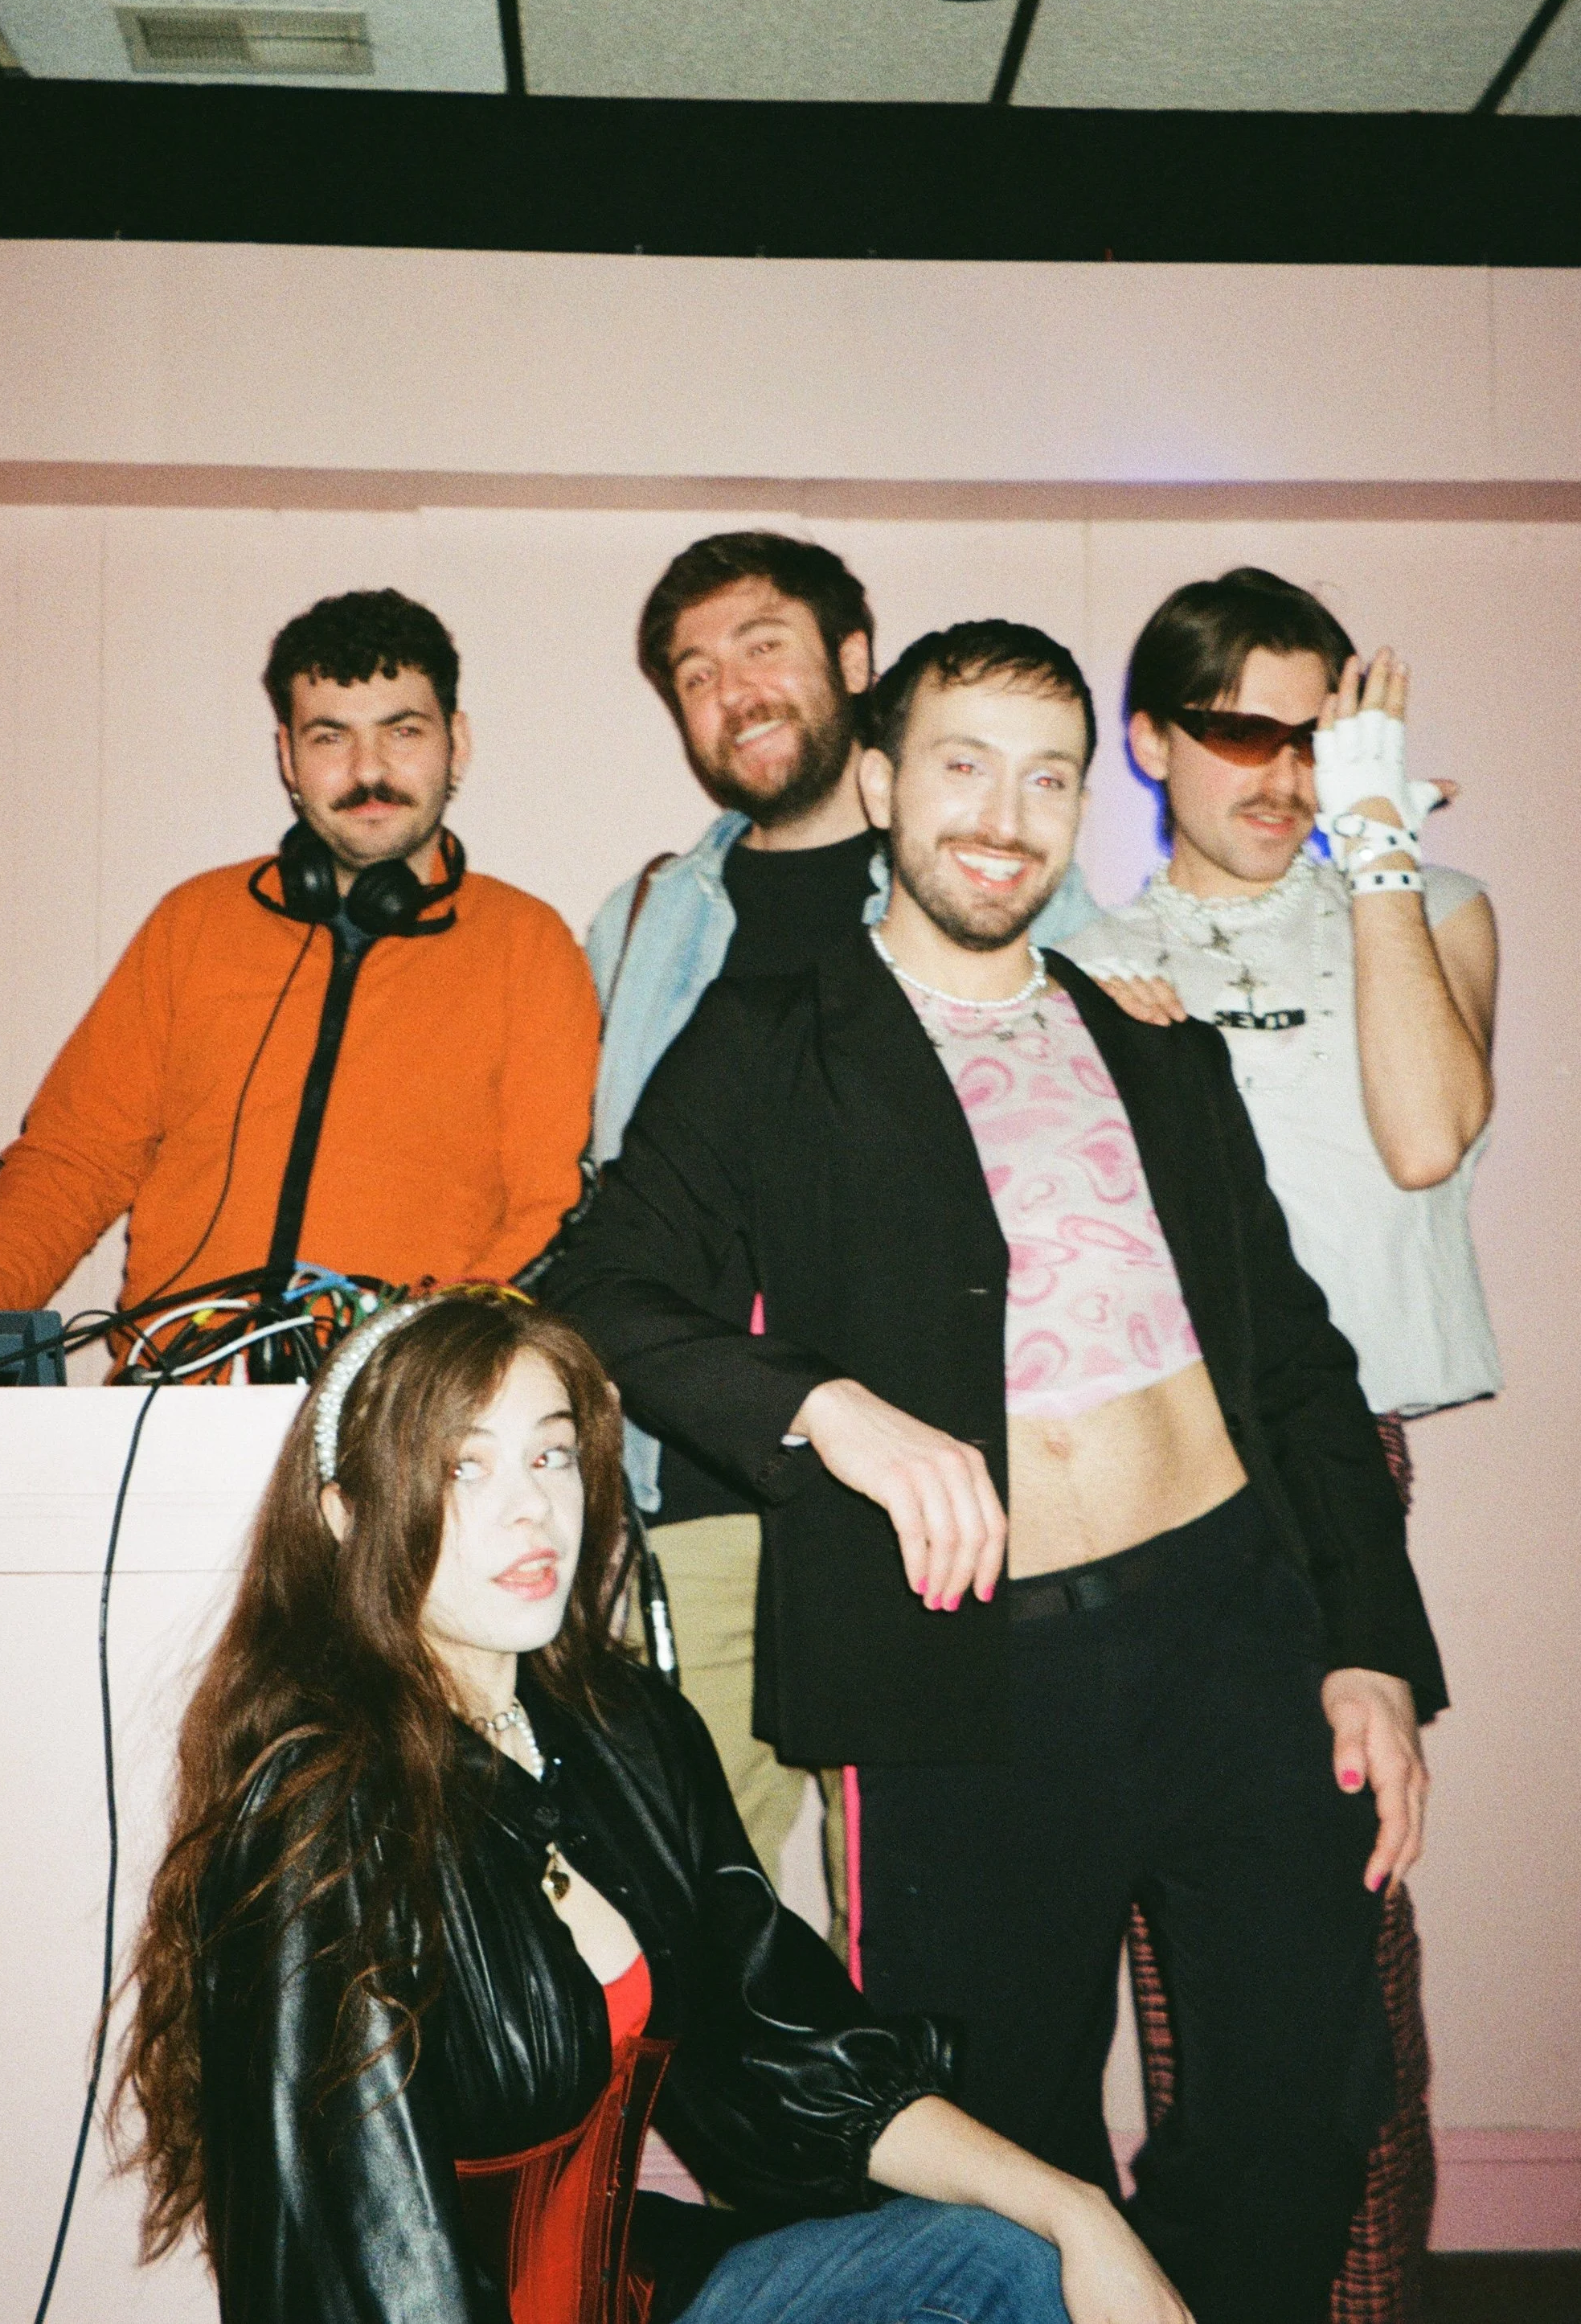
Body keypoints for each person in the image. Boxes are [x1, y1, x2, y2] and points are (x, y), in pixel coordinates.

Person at [545, 619, 1449, 2324]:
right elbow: (596, 1287)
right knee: (1001, 2126)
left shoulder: (1149, 1038)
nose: (1001, 815)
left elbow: (1291, 1364)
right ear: (881, 781)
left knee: (1297, 2101)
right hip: (960, 1664)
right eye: (959, 763)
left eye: (1047, 778)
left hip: (1233, 1632)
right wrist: (826, 1409)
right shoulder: (766, 1036)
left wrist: (1368, 1644)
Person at [115, 1285, 1189, 2324]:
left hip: (644, 2288)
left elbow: (788, 2043)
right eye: (462, 1466)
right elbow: (365, 2265)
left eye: (548, 1453)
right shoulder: (318, 1818)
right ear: (349, 1515)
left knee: (1010, 2266)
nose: (530, 1504)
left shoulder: (622, 1729)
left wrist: (1075, 2209)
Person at [1066, 566, 1500, 2324]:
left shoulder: (1428, 899)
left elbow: (1423, 1139)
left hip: (1333, 1477)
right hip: (1128, 1482)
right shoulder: (1080, 951)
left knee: (1340, 1987)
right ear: (1149, 740)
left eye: (1317, 730)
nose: (1279, 770)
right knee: (1180, 1986)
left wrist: (1376, 828)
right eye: (1237, 727)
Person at [585, 531, 1099, 1885]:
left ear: (856, 666)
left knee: (920, 1925)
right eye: (695, 672)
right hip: (701, 1495)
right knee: (700, 1916)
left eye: (762, 644)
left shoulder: (1009, 892)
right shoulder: (644, 921)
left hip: (942, 1507)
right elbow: (606, 1227)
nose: (733, 689)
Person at [0, 589, 599, 1340]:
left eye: (402, 732)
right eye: (330, 738)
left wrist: (427, 1372)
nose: (369, 770)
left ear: (455, 744)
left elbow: (547, 1207)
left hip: (402, 1414)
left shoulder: (526, 945)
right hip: (177, 1401)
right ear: (287, 757)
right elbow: (72, 1163)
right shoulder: (193, 924)